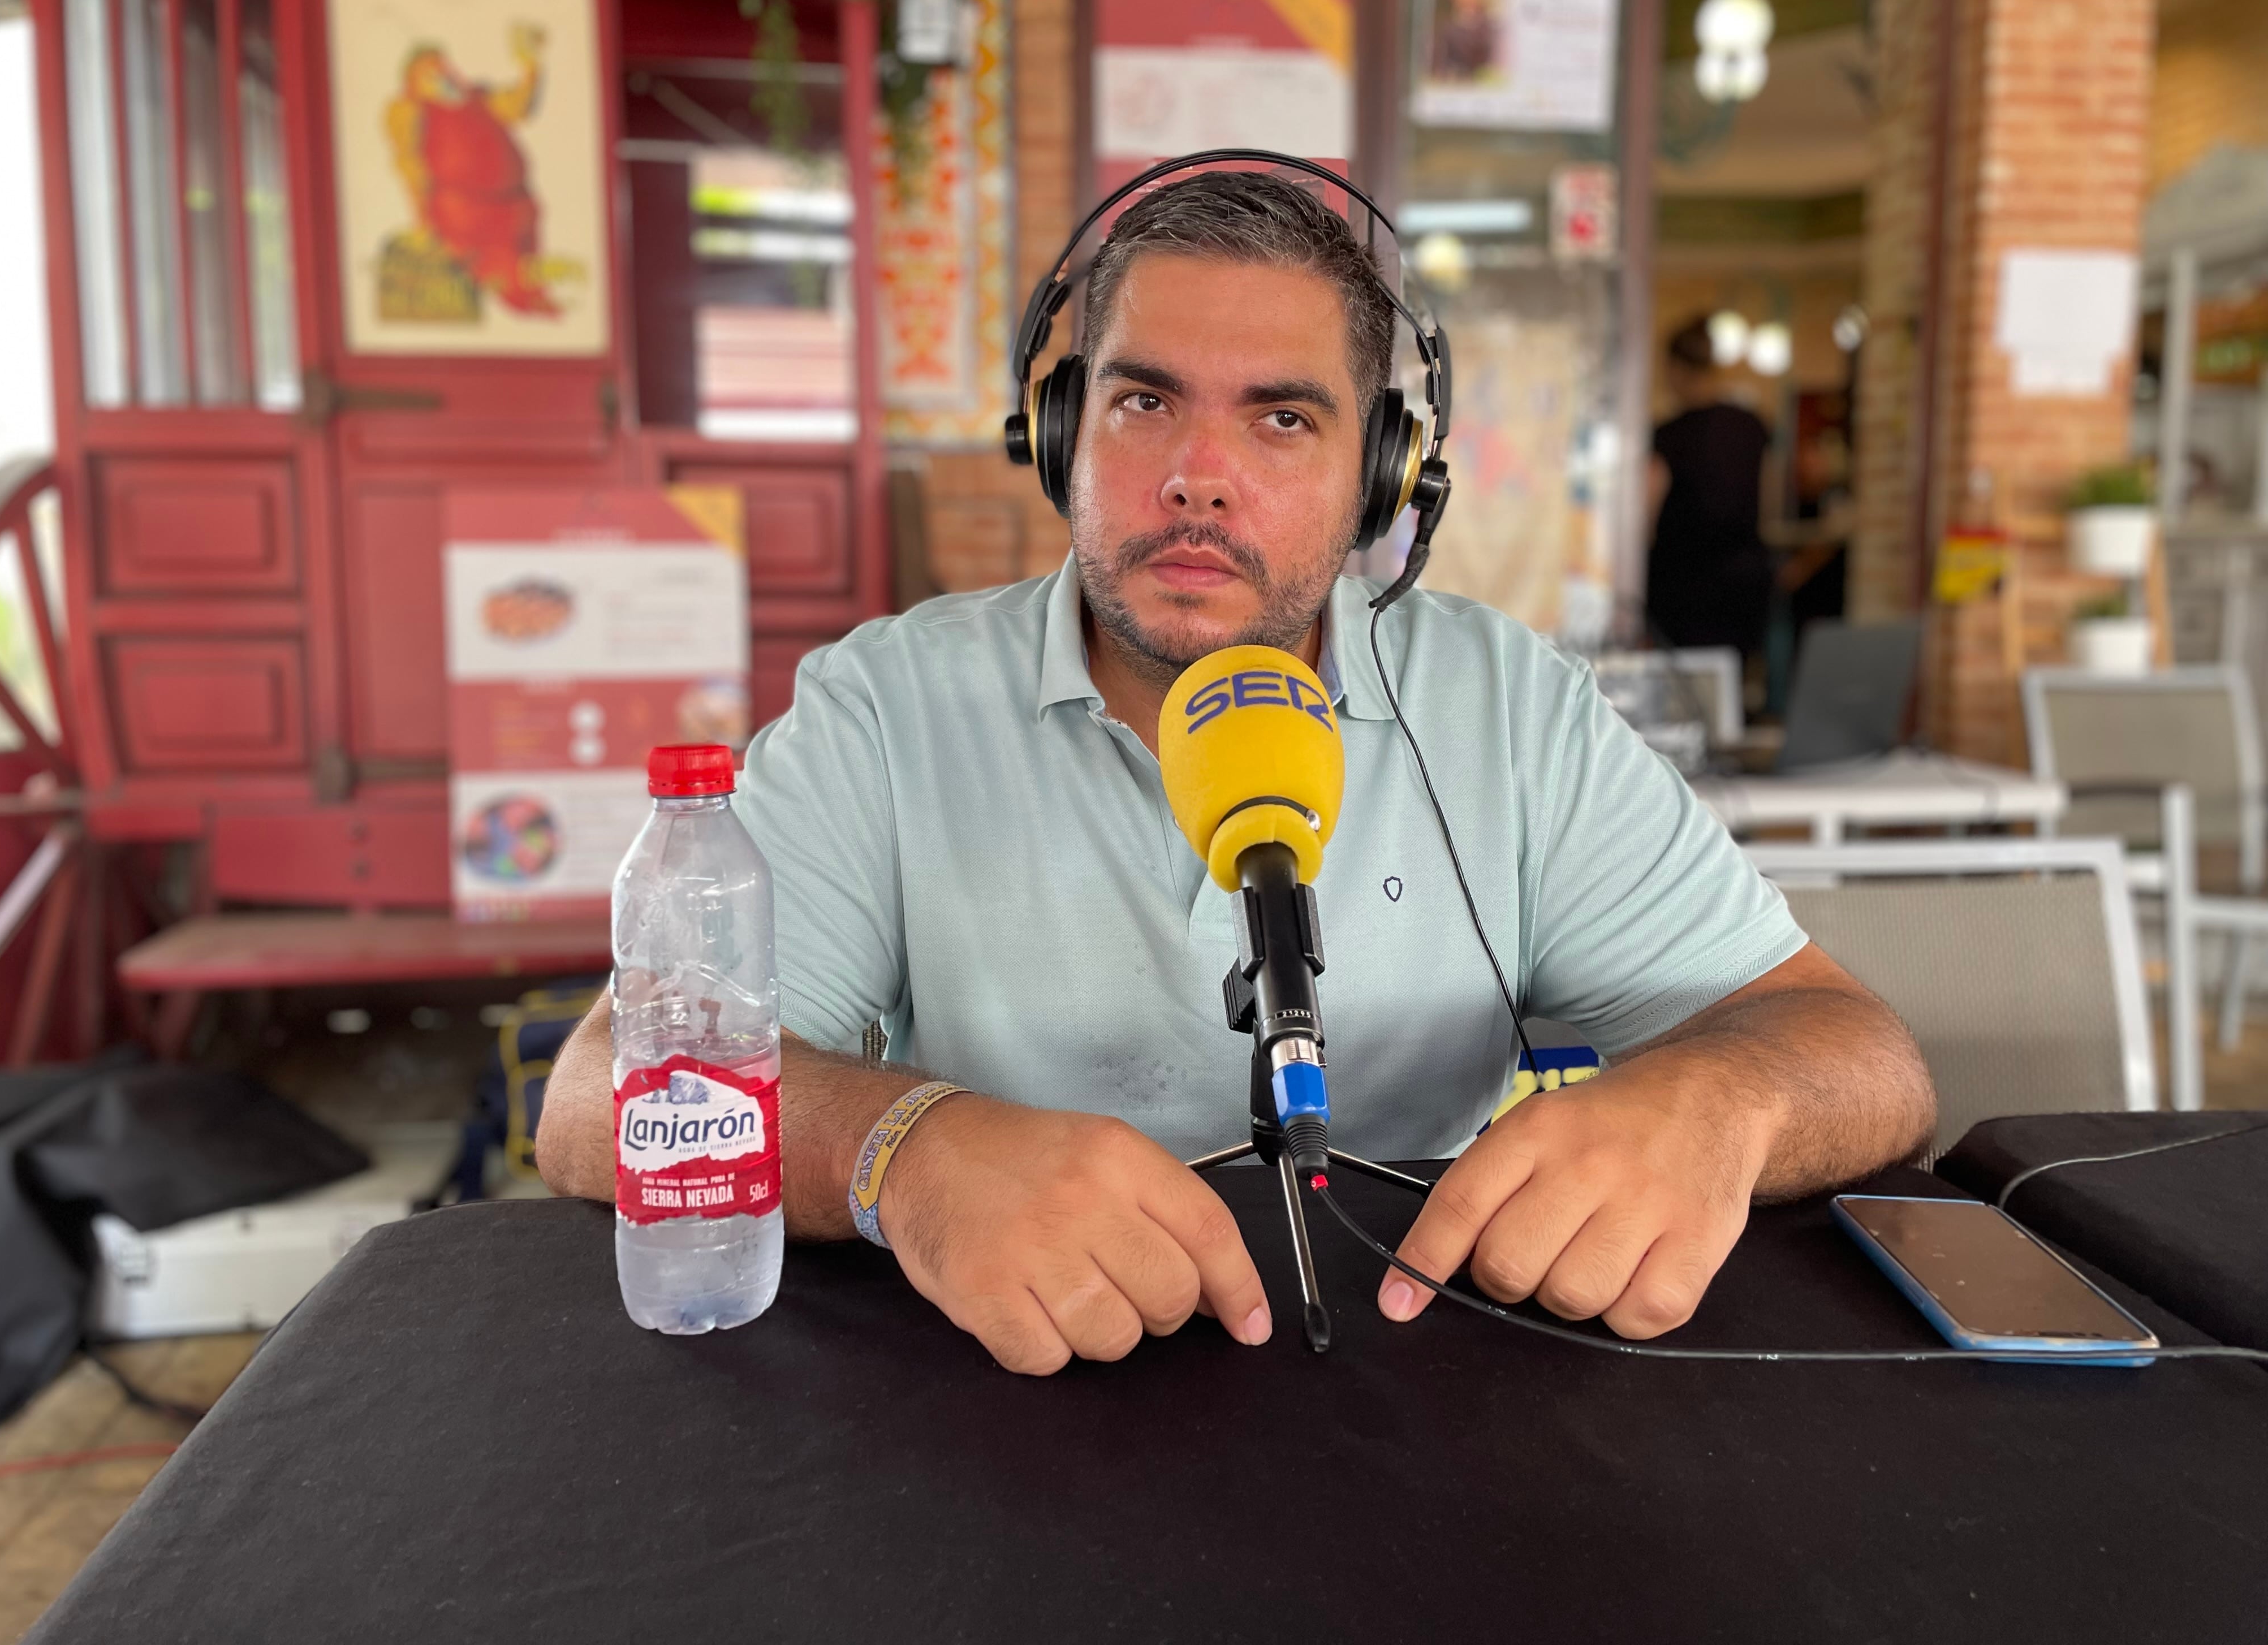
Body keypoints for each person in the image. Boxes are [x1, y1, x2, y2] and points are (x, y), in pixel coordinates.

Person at [537, 172, 1933, 1375]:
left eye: (1281, 421)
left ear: (1381, 478)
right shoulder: (885, 708)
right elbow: (602, 1096)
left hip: (1424, 1406)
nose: (1201, 476)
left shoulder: (1513, 711)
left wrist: (1715, 1105)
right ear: (1060, 433)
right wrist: (902, 1147)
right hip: (1000, 1414)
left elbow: (1860, 1054)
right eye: (1147, 400)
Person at [1645, 318, 1775, 664]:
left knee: (1686, 701)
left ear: (1675, 368)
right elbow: (1771, 498)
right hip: (1745, 581)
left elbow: (1648, 508)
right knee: (1732, 690)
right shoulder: (1751, 424)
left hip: (1682, 586)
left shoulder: (1667, 435)